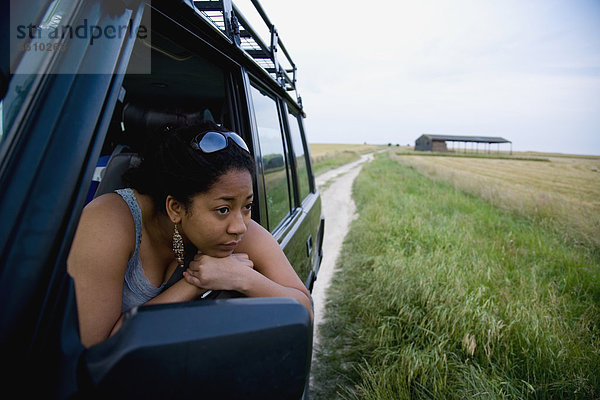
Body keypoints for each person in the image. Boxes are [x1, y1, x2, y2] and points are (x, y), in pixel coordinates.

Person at [67, 121, 313, 348]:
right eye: (223, 209)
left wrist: (241, 277)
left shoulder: (234, 230)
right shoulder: (109, 222)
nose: (239, 226)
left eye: (247, 205)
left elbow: (304, 309)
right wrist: (194, 283)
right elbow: (97, 351)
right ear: (176, 208)